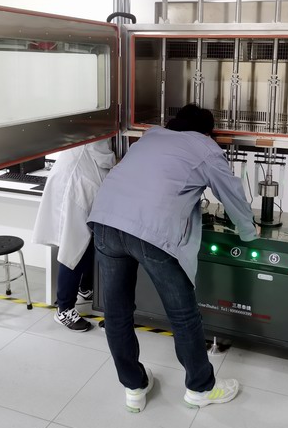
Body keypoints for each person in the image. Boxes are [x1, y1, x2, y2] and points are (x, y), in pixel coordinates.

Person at [88, 104, 258, 412]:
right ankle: (200, 388)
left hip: (105, 222)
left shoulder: (151, 137)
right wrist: (249, 232)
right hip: (152, 233)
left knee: (116, 314)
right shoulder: (205, 147)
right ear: (208, 132)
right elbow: (231, 193)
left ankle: (133, 387)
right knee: (183, 315)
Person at [33, 139, 116, 331]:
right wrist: (122, 160)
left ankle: (85, 288)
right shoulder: (97, 128)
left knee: (88, 242)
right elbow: (103, 156)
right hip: (75, 185)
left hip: (80, 181)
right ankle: (64, 309)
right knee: (73, 248)